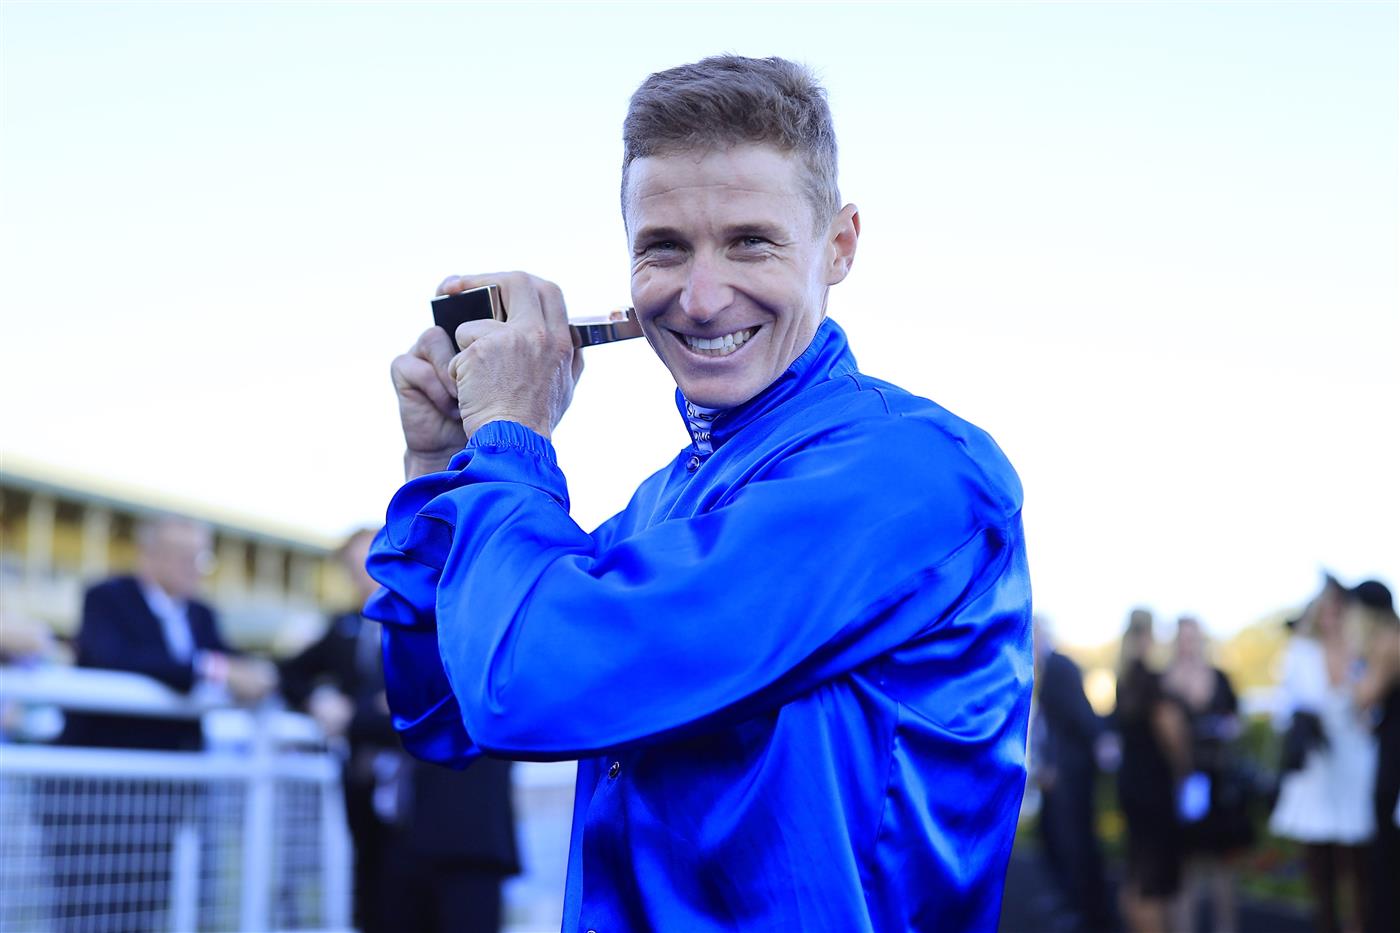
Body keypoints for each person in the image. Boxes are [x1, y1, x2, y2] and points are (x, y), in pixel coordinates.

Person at [366, 55, 1032, 931]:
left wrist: (512, 441)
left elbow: (520, 685)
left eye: (750, 241)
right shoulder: (656, 505)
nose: (703, 297)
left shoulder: (916, 472)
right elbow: (444, 710)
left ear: (840, 245)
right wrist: (445, 462)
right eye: (664, 249)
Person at [280, 528, 519, 933]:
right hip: (388, 829)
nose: (369, 581)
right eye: (357, 572)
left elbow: (432, 708)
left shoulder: (453, 614)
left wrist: (354, 717)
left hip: (462, 827)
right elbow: (290, 673)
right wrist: (323, 703)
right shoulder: (349, 628)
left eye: (375, 567)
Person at [52, 514, 276, 931]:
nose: (193, 568)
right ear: (148, 555)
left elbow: (232, 662)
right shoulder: (109, 597)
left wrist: (255, 674)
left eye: (200, 558)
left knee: (149, 902)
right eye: (182, 556)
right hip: (99, 790)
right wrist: (212, 670)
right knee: (88, 908)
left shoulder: (201, 615)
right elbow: (113, 657)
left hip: (168, 790)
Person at [1269, 577, 1375, 933]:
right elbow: (1284, 707)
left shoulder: (1363, 652)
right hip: (1317, 771)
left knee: (1360, 874)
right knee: (1321, 875)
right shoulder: (1301, 653)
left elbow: (1370, 710)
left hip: (1355, 768)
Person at [1162, 615, 1252, 933]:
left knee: (1222, 865)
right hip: (1181, 781)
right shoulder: (1165, 680)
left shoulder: (1219, 678)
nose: (1188, 644)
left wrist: (1224, 729)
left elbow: (1237, 719)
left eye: (1193, 637)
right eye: (1183, 637)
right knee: (1184, 866)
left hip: (1217, 782)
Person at [1113, 608, 1191, 933]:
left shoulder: (1124, 677)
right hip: (1153, 790)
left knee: (1136, 873)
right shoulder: (1148, 678)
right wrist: (1185, 766)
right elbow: (1171, 733)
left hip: (1131, 786)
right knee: (1152, 880)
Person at [1031, 616, 1110, 932]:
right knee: (1053, 837)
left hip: (1070, 775)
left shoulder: (1059, 669)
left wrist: (1055, 768)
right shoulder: (1047, 669)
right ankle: (1070, 900)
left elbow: (1078, 720)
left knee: (1073, 841)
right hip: (1062, 773)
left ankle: (1082, 910)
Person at [1343, 579, 1400, 933]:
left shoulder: (1386, 642)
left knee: (1388, 856)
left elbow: (1363, 698)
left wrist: (1352, 658)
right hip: (1390, 749)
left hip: (1394, 758)